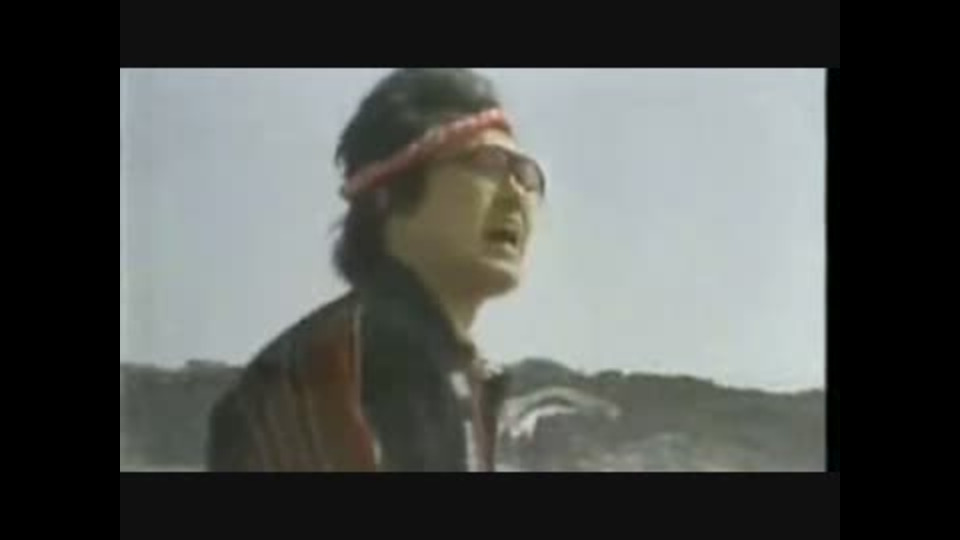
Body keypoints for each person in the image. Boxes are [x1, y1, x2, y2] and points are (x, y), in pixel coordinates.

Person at [206, 68, 546, 471]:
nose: (516, 195)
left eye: (526, 176)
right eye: (489, 163)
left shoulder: (446, 371)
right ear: (384, 194)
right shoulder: (343, 368)